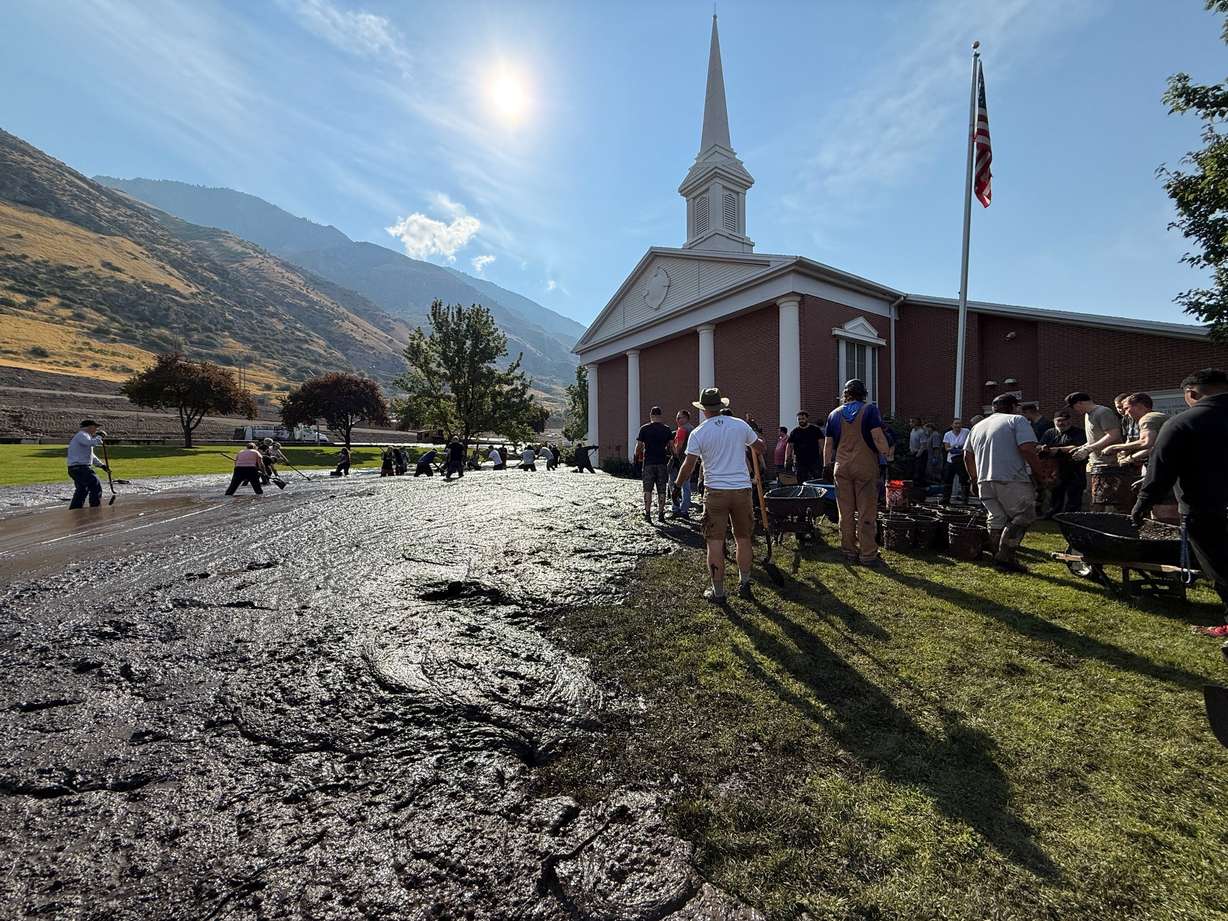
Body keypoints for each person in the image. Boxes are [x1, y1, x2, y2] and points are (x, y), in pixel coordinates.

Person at [1132, 369, 1228, 634]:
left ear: (1191, 393)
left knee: (1221, 566)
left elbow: (1161, 468)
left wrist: (1143, 502)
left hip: (1206, 507)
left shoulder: (1182, 422)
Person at [672, 388, 762, 602]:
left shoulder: (699, 433)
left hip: (715, 493)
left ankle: (718, 592)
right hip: (741, 490)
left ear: (703, 410)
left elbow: (689, 465)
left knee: (714, 542)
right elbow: (760, 446)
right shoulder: (740, 425)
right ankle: (745, 583)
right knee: (743, 539)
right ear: (720, 406)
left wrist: (677, 485)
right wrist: (754, 435)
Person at [964, 393, 1045, 573]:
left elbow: (967, 455)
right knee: (1025, 515)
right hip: (1011, 478)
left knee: (997, 516)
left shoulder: (977, 426)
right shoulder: (1017, 420)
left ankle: (997, 556)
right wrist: (1040, 474)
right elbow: (1027, 449)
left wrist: (974, 479)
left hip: (985, 479)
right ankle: (1005, 556)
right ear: (1014, 406)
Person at [822, 380, 891, 566]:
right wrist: (887, 453)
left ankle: (849, 551)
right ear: (863, 394)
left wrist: (826, 465)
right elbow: (877, 436)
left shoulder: (833, 414)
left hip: (841, 467)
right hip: (864, 466)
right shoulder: (869, 410)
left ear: (846, 394)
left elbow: (828, 445)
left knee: (844, 511)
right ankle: (868, 555)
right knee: (865, 511)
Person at [1039, 410, 1087, 516]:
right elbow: (1040, 445)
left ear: (1070, 421)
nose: (1062, 423)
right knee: (1055, 493)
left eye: (1065, 420)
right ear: (1054, 421)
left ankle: (1072, 516)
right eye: (1059, 420)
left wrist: (1057, 449)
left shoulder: (1079, 432)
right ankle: (1053, 515)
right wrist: (1042, 448)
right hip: (1055, 470)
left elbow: (1077, 447)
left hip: (1075, 468)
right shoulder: (1049, 433)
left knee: (1074, 493)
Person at [1104, 392, 1168, 471]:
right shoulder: (1154, 417)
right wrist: (1126, 452)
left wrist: (1115, 447)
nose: (1126, 413)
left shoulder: (1148, 418)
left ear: (1140, 406)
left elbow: (1146, 442)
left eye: (1127, 408)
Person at [635, 405, 673, 524]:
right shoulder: (666, 429)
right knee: (661, 490)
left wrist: (636, 457)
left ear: (651, 415)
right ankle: (661, 514)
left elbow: (639, 447)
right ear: (660, 416)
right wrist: (674, 456)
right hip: (662, 462)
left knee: (648, 489)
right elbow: (672, 447)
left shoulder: (644, 429)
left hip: (648, 463)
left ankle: (647, 514)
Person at [1067, 391, 1122, 469]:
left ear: (1079, 403)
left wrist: (1089, 448)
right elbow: (1096, 437)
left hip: (1109, 463)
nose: (1074, 410)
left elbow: (1114, 435)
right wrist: (1083, 447)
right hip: (1095, 462)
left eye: (1073, 407)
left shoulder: (1103, 412)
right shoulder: (1087, 415)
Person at [66, 419, 109, 509]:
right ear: (89, 427)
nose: (96, 429)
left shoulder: (84, 436)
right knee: (95, 485)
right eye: (95, 427)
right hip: (81, 468)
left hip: (76, 468)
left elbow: (91, 455)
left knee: (82, 490)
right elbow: (91, 443)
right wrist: (99, 436)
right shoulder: (82, 435)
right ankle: (95, 509)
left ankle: (75, 510)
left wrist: (101, 465)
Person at [785, 410, 824, 485]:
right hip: (800, 462)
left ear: (807, 419)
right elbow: (789, 446)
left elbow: (822, 444)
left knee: (818, 480)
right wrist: (787, 460)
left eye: (803, 418)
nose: (801, 421)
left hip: (814, 460)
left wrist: (822, 457)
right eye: (799, 419)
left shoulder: (815, 430)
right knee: (801, 482)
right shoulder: (794, 432)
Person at [669, 410, 695, 518]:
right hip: (689, 461)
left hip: (678, 462)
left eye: (679, 418)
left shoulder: (682, 430)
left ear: (686, 418)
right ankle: (685, 510)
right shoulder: (693, 429)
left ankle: (676, 508)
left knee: (673, 484)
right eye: (677, 418)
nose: (677, 420)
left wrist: (671, 446)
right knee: (687, 487)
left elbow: (677, 449)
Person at [940, 417, 970, 505]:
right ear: (952, 425)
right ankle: (946, 498)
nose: (957, 425)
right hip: (951, 459)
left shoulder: (966, 432)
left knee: (964, 478)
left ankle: (965, 499)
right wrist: (954, 449)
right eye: (956, 424)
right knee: (948, 478)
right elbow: (947, 448)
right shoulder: (948, 434)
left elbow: (968, 444)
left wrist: (960, 449)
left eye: (959, 423)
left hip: (962, 459)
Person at [908, 417, 929, 484]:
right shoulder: (913, 431)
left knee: (919, 470)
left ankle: (920, 484)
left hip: (920, 453)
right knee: (913, 470)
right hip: (913, 452)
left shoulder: (921, 432)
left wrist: (918, 455)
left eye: (912, 422)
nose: (910, 424)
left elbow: (923, 445)